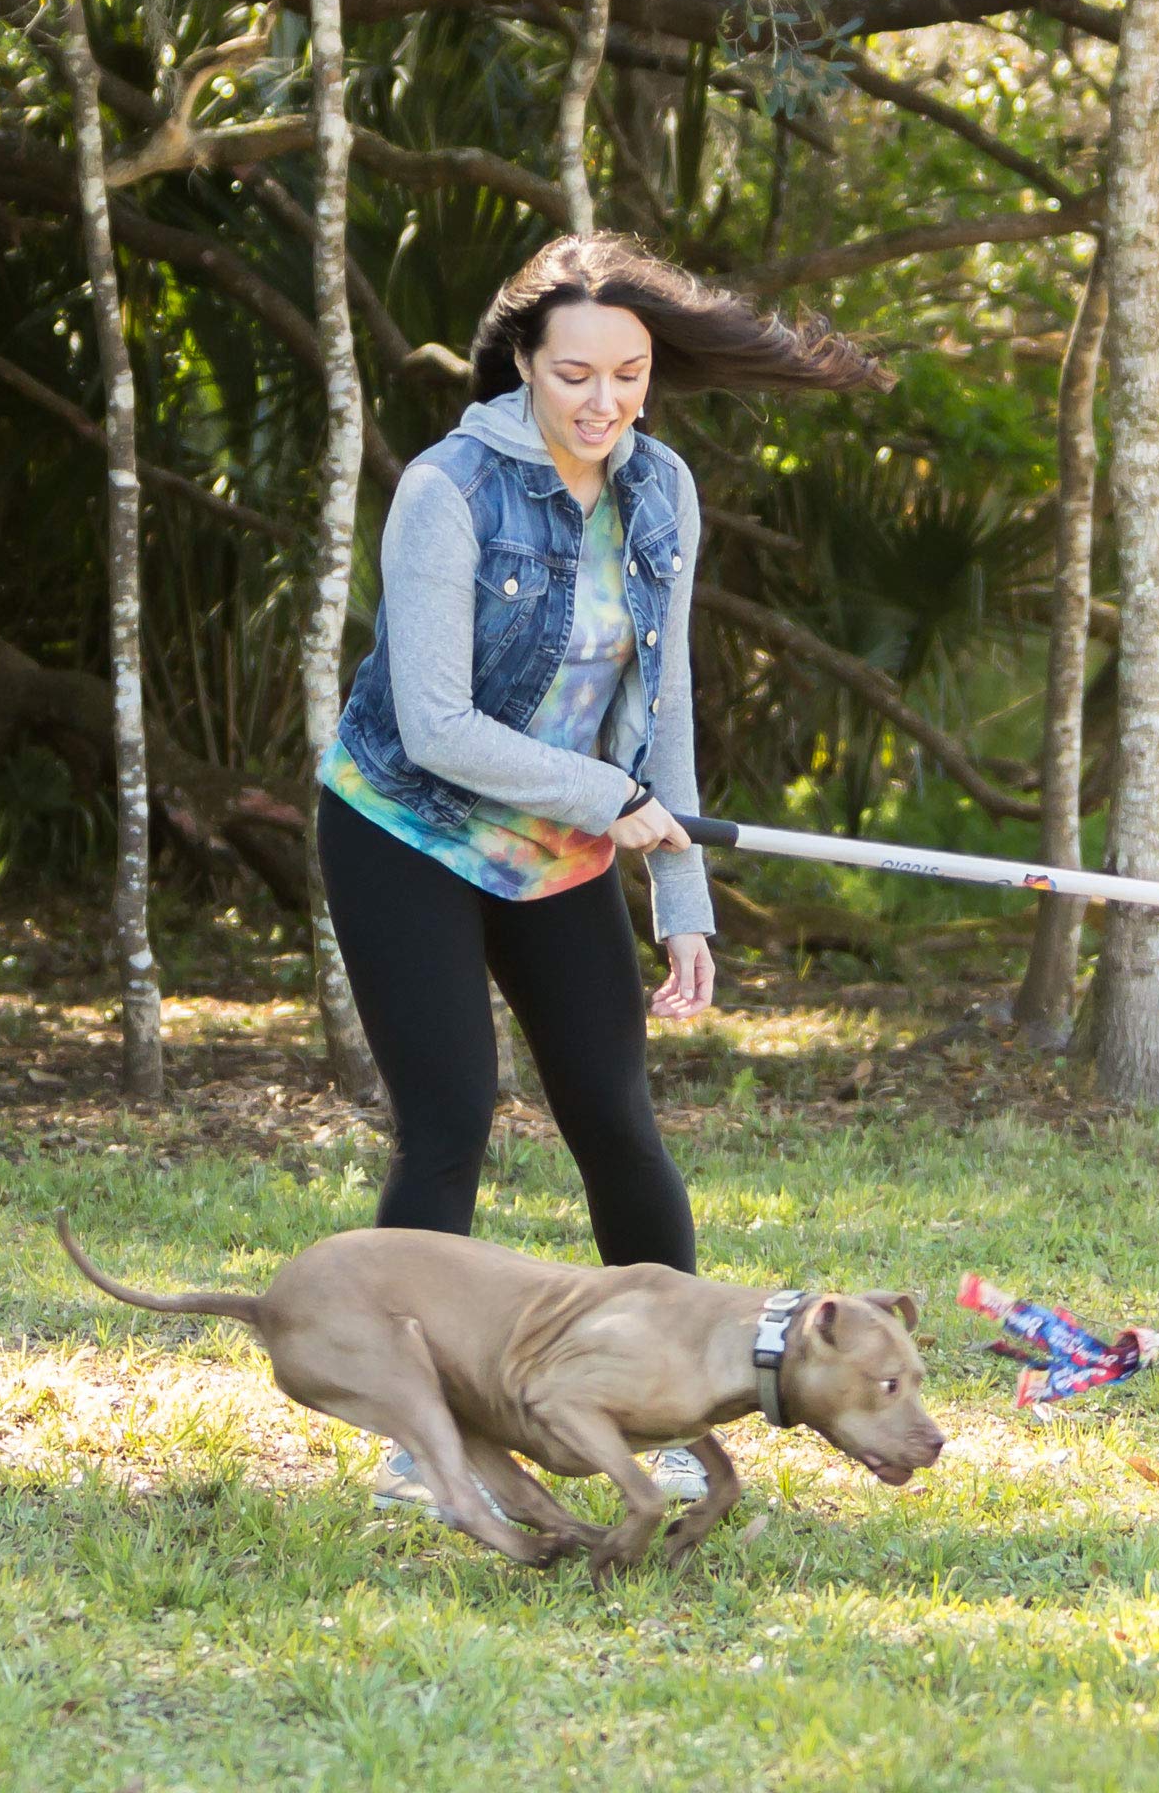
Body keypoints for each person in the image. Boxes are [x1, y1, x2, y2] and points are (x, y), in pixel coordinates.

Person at [314, 231, 888, 1518]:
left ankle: (674, 1400)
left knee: (616, 1117)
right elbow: (433, 724)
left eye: (627, 373)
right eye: (575, 371)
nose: (603, 400)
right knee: (452, 1114)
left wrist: (679, 894)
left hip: (567, 844)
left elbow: (664, 698)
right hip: (409, 826)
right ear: (520, 361)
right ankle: (433, 1439)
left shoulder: (661, 489)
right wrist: (613, 800)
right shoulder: (447, 489)